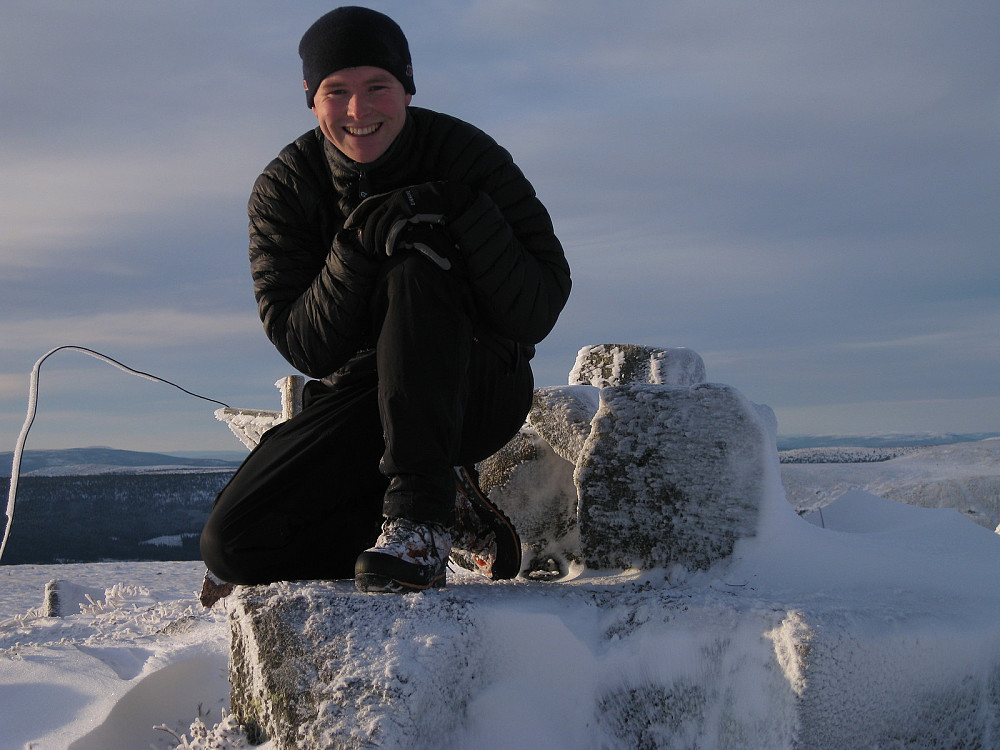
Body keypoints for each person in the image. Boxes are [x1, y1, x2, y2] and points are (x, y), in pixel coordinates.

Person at [200, 6, 570, 595]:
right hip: (364, 397)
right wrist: (355, 246)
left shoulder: (466, 156)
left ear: (406, 86)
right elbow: (305, 347)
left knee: (418, 268)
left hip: (475, 385)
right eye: (336, 91)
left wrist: (462, 212)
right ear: (310, 98)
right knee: (235, 545)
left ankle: (420, 523)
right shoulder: (287, 186)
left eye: (378, 87)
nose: (358, 110)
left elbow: (539, 305)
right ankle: (448, 506)